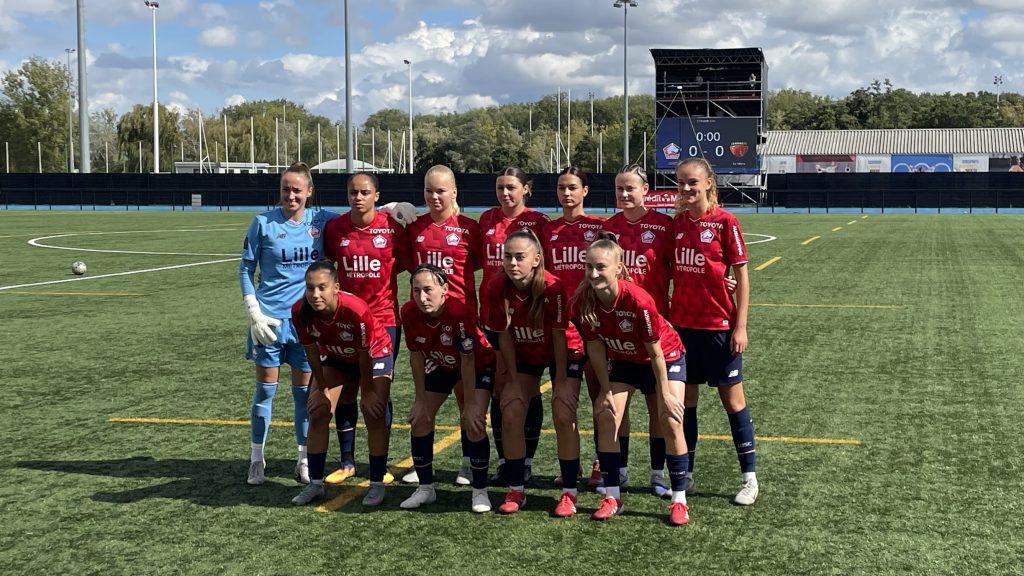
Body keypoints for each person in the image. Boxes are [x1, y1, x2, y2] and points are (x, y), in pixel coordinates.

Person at [571, 233, 692, 526]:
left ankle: (679, 501)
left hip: (665, 357)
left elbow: (657, 354)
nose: (594, 273)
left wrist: (665, 395)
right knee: (607, 416)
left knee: (671, 419)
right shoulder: (583, 299)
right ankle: (612, 496)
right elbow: (596, 348)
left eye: (601, 267)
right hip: (624, 360)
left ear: (619, 268)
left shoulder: (638, 300)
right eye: (589, 267)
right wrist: (604, 391)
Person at [240, 161, 338, 486]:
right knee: (264, 392)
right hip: (268, 323)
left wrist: (392, 207)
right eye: (286, 189)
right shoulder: (262, 223)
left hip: (305, 325)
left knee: (303, 396)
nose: (291, 195)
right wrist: (254, 311)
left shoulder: (321, 221)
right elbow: (245, 270)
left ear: (309, 191)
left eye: (297, 189)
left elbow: (358, 221)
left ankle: (303, 459)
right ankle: (257, 458)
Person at [671, 157, 759, 506]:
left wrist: (740, 326)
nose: (687, 188)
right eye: (681, 183)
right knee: (686, 402)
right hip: (682, 329)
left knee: (733, 402)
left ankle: (749, 478)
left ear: (709, 182)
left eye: (693, 182)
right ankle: (687, 472)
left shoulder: (725, 222)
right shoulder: (677, 224)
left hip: (719, 329)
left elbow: (743, 278)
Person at [481, 228, 584, 515]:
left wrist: (562, 381)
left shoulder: (553, 287)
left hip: (562, 351)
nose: (513, 263)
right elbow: (502, 336)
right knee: (512, 409)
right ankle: (517, 488)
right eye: (508, 257)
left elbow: (559, 337)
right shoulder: (496, 286)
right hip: (524, 352)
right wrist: (512, 380)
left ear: (536, 259)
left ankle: (569, 492)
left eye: (520, 257)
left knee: (563, 414)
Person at [321, 172, 409, 485]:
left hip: (384, 322)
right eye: (352, 192)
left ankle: (379, 465)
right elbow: (328, 267)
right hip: (343, 322)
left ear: (376, 195)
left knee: (377, 394)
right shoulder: (335, 229)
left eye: (364, 192)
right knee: (346, 392)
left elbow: (405, 265)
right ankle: (347, 462)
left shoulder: (392, 229)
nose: (358, 198)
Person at [289, 261, 394, 506]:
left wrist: (367, 391)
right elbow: (312, 353)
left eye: (322, 287)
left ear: (336, 287)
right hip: (336, 355)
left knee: (373, 410)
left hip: (373, 353)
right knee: (317, 411)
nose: (315, 294)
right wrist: (321, 389)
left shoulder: (355, 310)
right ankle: (315, 483)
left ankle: (377, 483)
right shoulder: (299, 311)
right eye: (310, 288)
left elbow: (364, 354)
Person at [403, 165, 483, 486]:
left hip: (463, 324)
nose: (434, 197)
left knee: (467, 399)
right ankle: (423, 468)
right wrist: (390, 207)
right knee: (424, 402)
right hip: (428, 327)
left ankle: (466, 462)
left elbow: (478, 263)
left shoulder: (468, 229)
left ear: (454, 193)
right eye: (428, 191)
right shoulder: (415, 229)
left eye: (441, 191)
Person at [601, 163, 676, 499]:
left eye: (631, 188)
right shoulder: (609, 228)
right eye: (619, 188)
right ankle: (621, 470)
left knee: (657, 408)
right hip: (620, 333)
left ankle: (657, 474)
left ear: (646, 189)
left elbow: (686, 270)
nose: (625, 194)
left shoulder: (664, 226)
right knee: (618, 407)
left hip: (656, 330)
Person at [399, 264, 495, 513]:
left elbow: (469, 359)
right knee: (420, 419)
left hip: (477, 365)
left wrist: (472, 403)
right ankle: (425, 488)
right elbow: (417, 357)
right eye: (416, 290)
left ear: (444, 289)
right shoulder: (408, 312)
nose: (422, 297)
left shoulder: (459, 312)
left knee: (473, 422)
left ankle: (480, 491)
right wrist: (420, 399)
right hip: (442, 364)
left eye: (428, 290)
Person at [478, 167, 549, 486]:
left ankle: (526, 461)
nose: (505, 193)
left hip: (532, 318)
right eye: (500, 187)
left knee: (528, 390)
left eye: (511, 187)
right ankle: (506, 461)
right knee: (499, 389)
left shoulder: (539, 223)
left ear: (526, 190)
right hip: (493, 316)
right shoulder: (486, 220)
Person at [543, 166, 609, 490]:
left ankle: (600, 461)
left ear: (584, 191)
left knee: (600, 397)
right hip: (560, 327)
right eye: (561, 187)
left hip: (594, 324)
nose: (566, 194)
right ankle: (571, 465)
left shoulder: (600, 228)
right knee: (565, 398)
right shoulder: (548, 229)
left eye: (572, 187)